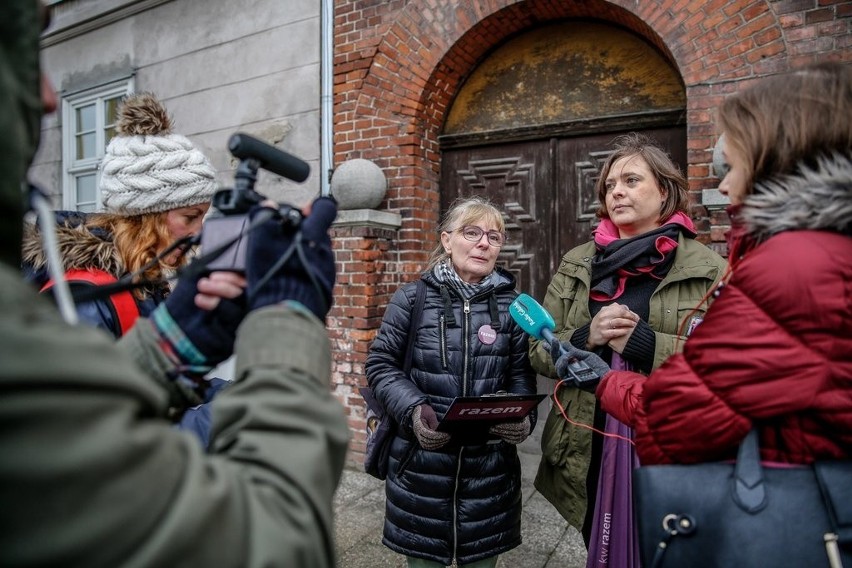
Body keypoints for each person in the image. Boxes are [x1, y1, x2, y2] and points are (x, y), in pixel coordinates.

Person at [0, 2, 350, 566]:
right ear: (143, 220)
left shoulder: (137, 283)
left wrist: (176, 341)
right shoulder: (78, 299)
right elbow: (272, 540)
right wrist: (286, 318)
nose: (46, 97)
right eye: (188, 219)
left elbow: (91, 419)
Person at [594, 63, 852, 465]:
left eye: (732, 167)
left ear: (775, 161)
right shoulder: (819, 251)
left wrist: (609, 378)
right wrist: (583, 340)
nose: (724, 186)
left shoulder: (791, 266)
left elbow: (683, 417)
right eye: (610, 185)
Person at [528, 133, 727, 546]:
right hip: (590, 441)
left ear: (665, 190)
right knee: (600, 542)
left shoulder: (710, 269)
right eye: (610, 185)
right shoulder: (578, 262)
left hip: (669, 441)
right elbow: (538, 351)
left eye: (631, 180)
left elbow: (730, 366)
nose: (616, 191)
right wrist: (587, 336)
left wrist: (647, 345)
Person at [365, 196, 537, 568]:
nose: (483, 243)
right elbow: (380, 364)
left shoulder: (515, 307)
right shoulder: (412, 298)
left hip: (489, 474)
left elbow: (522, 374)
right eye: (472, 232)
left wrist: (522, 418)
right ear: (446, 240)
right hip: (421, 468)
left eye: (494, 236)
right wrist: (413, 409)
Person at [22, 91, 218, 338]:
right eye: (190, 217)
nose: (198, 231)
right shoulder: (87, 296)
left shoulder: (139, 278)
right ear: (147, 217)